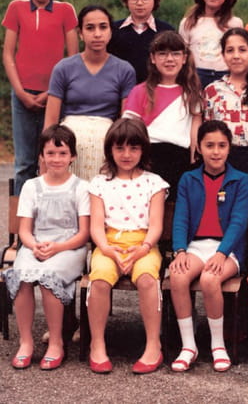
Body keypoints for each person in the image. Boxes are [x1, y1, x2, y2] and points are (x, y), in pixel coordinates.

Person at [3, 125, 89, 370]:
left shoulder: (81, 187)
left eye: (63, 153)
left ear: (73, 156)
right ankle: (26, 342)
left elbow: (84, 234)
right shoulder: (32, 186)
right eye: (50, 153)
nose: (56, 159)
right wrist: (35, 246)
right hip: (36, 245)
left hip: (70, 247)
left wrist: (58, 247)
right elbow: (24, 231)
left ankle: (56, 342)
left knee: (48, 277)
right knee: (22, 276)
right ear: (41, 155)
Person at [86, 118, 168, 374]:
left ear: (143, 150)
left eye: (133, 148)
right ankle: (97, 343)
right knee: (99, 278)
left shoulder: (154, 183)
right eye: (120, 148)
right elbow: (96, 226)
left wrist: (144, 248)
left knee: (147, 278)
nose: (126, 154)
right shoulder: (99, 183)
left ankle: (153, 344)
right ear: (110, 149)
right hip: (108, 244)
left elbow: (156, 225)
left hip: (143, 245)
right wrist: (106, 249)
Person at [169, 120, 248, 373]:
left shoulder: (241, 180)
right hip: (195, 246)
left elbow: (239, 222)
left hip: (228, 249)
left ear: (229, 148)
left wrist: (222, 252)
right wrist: (180, 250)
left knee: (209, 279)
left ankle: (218, 345)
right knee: (178, 276)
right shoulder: (188, 179)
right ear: (199, 148)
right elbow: (181, 218)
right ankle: (188, 346)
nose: (216, 151)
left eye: (222, 145)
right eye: (210, 145)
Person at [2, 0, 78, 195]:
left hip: (55, 96)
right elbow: (8, 54)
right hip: (22, 95)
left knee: (52, 159)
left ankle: (52, 210)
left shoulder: (65, 11)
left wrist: (52, 92)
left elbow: (73, 59)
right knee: (24, 163)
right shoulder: (16, 8)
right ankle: (21, 215)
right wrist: (20, 92)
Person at [44, 5, 136, 181]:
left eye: (103, 27)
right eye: (90, 28)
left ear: (110, 32)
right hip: (68, 142)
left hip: (106, 141)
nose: (97, 34)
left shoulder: (124, 70)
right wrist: (44, 160)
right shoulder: (63, 68)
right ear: (80, 33)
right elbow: (50, 121)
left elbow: (125, 122)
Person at [123, 30, 202, 200]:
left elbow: (196, 122)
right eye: (162, 54)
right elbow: (130, 129)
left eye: (175, 54)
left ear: (184, 58)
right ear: (153, 58)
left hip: (181, 158)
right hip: (149, 157)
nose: (169, 59)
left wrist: (194, 154)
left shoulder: (192, 91)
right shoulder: (140, 91)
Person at [204, 27, 248, 198]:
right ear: (223, 55)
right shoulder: (212, 90)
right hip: (223, 160)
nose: (236, 56)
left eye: (242, 50)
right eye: (230, 50)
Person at [179, 0, 243, 88]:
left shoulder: (235, 23)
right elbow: (182, 56)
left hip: (225, 78)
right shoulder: (188, 23)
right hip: (195, 78)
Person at [108, 0, 174, 83]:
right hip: (121, 89)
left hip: (156, 88)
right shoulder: (113, 30)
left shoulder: (167, 31)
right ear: (126, 0)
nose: (139, 3)